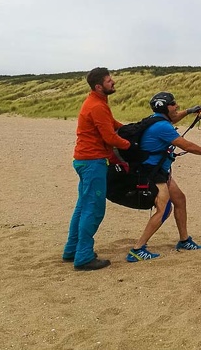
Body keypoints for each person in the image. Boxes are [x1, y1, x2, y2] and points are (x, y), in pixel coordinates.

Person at [126, 91, 201, 261]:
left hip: (159, 171)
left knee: (180, 199)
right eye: (173, 104)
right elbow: (186, 146)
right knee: (164, 210)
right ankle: (137, 249)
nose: (176, 106)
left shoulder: (157, 118)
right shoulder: (162, 127)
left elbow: (174, 118)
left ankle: (184, 240)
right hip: (152, 174)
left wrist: (189, 111)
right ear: (165, 107)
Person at [63, 67, 131, 271]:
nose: (114, 82)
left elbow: (112, 125)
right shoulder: (96, 106)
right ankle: (83, 256)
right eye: (110, 81)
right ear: (99, 86)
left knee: (83, 206)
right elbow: (110, 137)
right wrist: (131, 145)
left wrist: (133, 129)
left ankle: (72, 249)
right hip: (93, 162)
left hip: (84, 160)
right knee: (94, 208)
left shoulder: (98, 102)